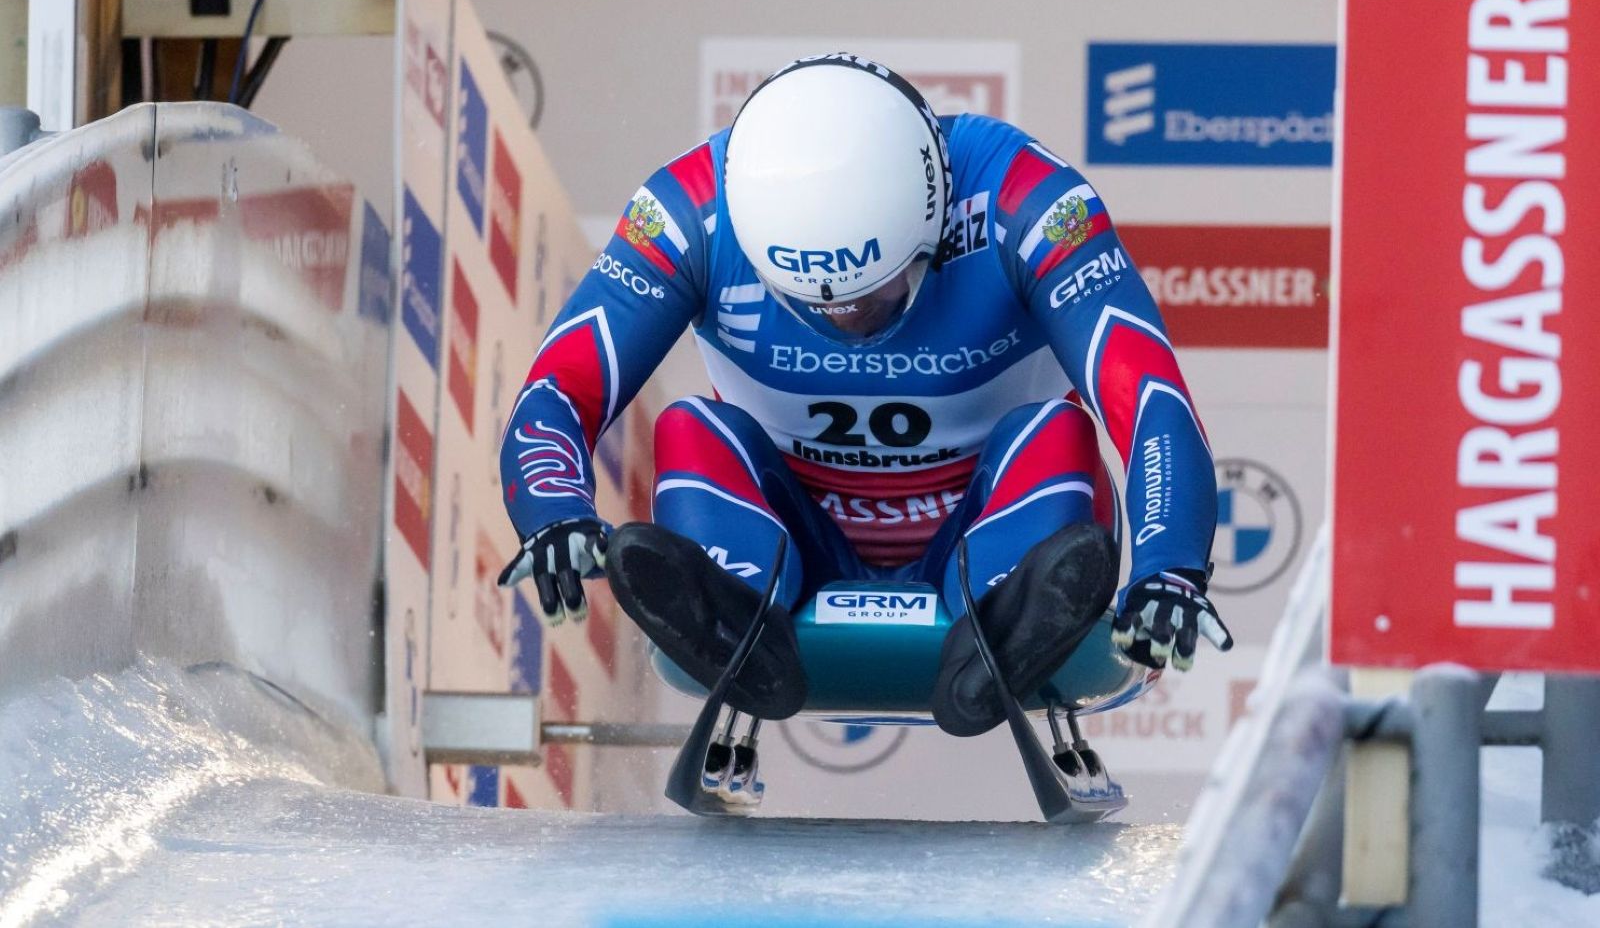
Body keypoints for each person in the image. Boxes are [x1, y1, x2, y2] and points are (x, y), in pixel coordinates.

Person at [497, 53, 1230, 735]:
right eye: (814, 304)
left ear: (935, 219)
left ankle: (1001, 622)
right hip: (791, 535)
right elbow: (562, 384)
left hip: (983, 523)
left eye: (874, 293)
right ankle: (741, 621)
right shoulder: (689, 211)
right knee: (693, 429)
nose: (846, 320)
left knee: (1055, 432)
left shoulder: (1025, 198)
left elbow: (1150, 394)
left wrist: (1170, 565)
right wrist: (555, 510)